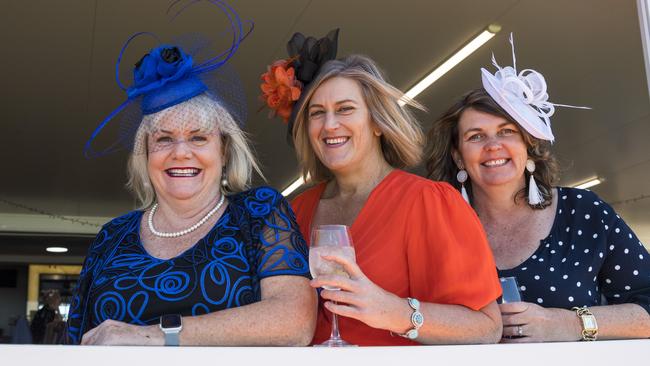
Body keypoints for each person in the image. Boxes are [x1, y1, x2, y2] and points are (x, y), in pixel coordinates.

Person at [67, 1, 316, 346]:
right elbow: (76, 343)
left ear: (224, 150)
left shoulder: (259, 212)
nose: (181, 152)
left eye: (198, 137)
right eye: (164, 139)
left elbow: (295, 322)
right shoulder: (111, 238)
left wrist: (158, 336)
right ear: (145, 153)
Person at [261, 31, 502, 346]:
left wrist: (394, 311)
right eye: (317, 113)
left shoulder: (428, 202)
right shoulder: (293, 212)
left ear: (377, 122)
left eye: (345, 109)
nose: (329, 124)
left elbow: (486, 328)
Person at [426, 34, 650, 342]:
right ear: (458, 157)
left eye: (506, 132)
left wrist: (569, 323)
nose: (493, 146)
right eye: (475, 136)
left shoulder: (584, 213)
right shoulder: (435, 227)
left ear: (529, 147)